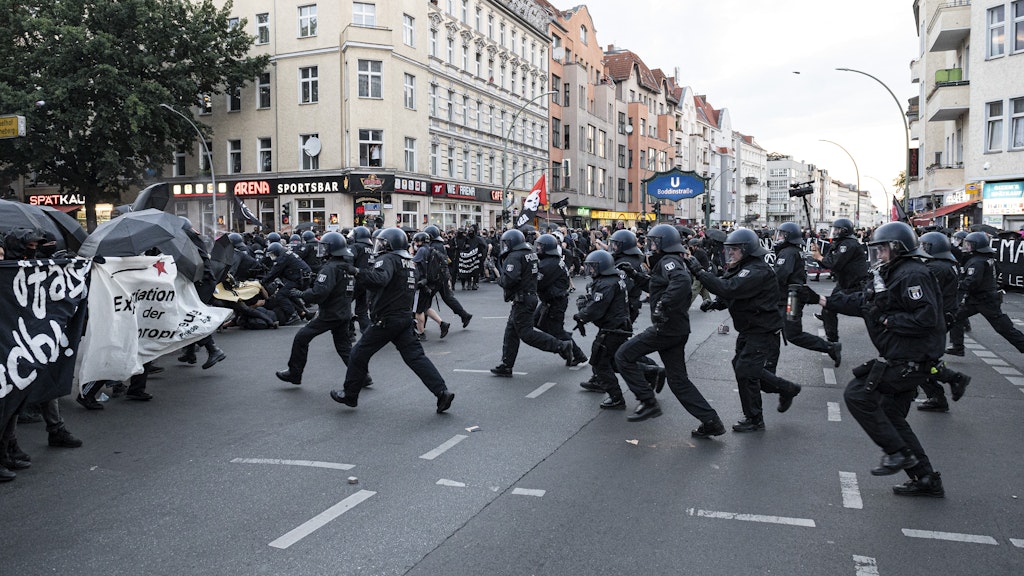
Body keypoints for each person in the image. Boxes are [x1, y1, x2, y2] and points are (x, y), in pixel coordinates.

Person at [799, 221, 945, 497]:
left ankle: (897, 453)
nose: (877, 255)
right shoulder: (891, 273)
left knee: (858, 394)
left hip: (909, 359)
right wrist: (821, 300)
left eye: (882, 249)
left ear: (897, 248)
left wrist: (889, 320)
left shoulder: (912, 274)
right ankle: (925, 478)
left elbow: (926, 317)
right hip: (901, 357)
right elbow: (865, 304)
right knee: (891, 415)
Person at [688, 228, 803, 432]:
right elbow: (733, 291)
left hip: (763, 330)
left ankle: (756, 418)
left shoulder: (756, 270)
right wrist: (716, 304)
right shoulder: (742, 267)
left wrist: (699, 271)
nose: (730, 254)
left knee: (746, 370)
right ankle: (785, 389)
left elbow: (730, 288)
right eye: (728, 250)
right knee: (746, 369)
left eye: (734, 250)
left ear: (747, 249)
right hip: (750, 329)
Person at [329, 228, 454, 413]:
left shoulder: (388, 259)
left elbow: (380, 279)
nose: (379, 245)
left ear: (389, 244)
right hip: (404, 318)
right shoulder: (409, 262)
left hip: (386, 319)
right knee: (416, 358)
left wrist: (356, 271)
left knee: (357, 354)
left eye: (382, 242)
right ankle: (442, 392)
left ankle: (350, 395)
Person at [615, 225, 725, 436]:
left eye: (654, 241)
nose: (651, 245)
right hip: (676, 329)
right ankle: (711, 421)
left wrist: (663, 305)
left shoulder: (669, 261)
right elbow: (656, 286)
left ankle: (647, 402)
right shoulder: (669, 261)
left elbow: (681, 282)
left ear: (664, 243)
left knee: (623, 355)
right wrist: (634, 275)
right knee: (678, 381)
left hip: (666, 328)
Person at [275, 232, 372, 387]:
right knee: (344, 348)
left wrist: (302, 294)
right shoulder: (347, 267)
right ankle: (363, 376)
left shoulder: (330, 268)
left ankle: (295, 373)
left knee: (301, 337)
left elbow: (319, 293)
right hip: (343, 312)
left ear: (331, 249)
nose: (322, 250)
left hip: (330, 314)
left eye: (325, 247)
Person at [491, 229, 574, 376]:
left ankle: (561, 346)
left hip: (522, 299)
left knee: (526, 334)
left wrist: (499, 278)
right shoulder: (529, 254)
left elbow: (510, 280)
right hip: (527, 297)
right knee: (511, 332)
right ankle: (506, 364)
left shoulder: (514, 256)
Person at [770, 222, 842, 368]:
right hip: (788, 297)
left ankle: (829, 347)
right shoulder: (794, 250)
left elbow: (780, 276)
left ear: (788, 236)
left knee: (793, 334)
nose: (779, 238)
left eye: (782, 234)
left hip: (792, 298)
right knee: (771, 332)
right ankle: (769, 368)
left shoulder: (788, 252)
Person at [916, 232, 971, 412]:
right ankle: (939, 394)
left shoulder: (937, 267)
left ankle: (952, 380)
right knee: (923, 358)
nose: (921, 248)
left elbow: (925, 292)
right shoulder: (948, 264)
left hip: (935, 317)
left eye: (924, 245)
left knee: (916, 359)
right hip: (943, 315)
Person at [947, 231, 1024, 355]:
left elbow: (972, 281)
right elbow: (998, 272)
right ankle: (957, 346)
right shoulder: (988, 258)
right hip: (979, 298)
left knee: (1005, 329)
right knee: (955, 317)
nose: (966, 247)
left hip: (985, 300)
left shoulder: (977, 261)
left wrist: (956, 286)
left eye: (969, 244)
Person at [573, 250, 632, 409]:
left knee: (600, 362)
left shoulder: (606, 283)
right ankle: (652, 372)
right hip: (617, 325)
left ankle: (616, 397)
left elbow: (596, 308)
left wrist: (581, 314)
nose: (590, 271)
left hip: (612, 328)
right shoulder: (614, 279)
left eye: (593, 267)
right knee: (619, 359)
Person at [809, 218, 870, 343]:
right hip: (844, 283)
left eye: (836, 229)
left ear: (844, 231)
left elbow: (834, 264)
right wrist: (818, 255)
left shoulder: (848, 244)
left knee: (868, 311)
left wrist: (820, 257)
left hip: (856, 285)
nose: (834, 232)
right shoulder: (840, 243)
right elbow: (828, 263)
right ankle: (832, 342)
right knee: (828, 307)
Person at [534, 234, 587, 365]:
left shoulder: (548, 264)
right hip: (551, 300)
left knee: (556, 330)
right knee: (537, 321)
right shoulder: (553, 260)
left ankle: (577, 354)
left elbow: (538, 283)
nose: (538, 249)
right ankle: (564, 338)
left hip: (555, 301)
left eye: (540, 246)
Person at [425, 225, 472, 328]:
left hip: (436, 277)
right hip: (442, 276)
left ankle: (422, 324)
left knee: (425, 300)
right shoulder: (440, 244)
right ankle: (464, 315)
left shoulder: (433, 245)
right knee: (448, 298)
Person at [260, 241, 312, 325]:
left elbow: (275, 271)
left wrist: (262, 281)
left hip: (298, 279)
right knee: (288, 293)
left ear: (277, 252)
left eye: (273, 254)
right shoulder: (286, 253)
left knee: (280, 295)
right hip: (301, 278)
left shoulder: (283, 257)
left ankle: (293, 315)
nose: (272, 257)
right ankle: (304, 313)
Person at [411, 232, 450, 340]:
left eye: (415, 241)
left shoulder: (422, 250)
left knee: (419, 310)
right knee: (426, 307)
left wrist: (411, 253)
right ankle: (442, 324)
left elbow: (412, 263)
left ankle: (421, 333)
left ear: (419, 241)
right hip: (431, 283)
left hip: (422, 284)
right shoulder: (431, 249)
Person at [348, 226, 374, 336]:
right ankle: (368, 333)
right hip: (368, 280)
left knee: (343, 305)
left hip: (356, 279)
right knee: (362, 310)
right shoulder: (372, 247)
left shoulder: (355, 246)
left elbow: (348, 261)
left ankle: (349, 331)